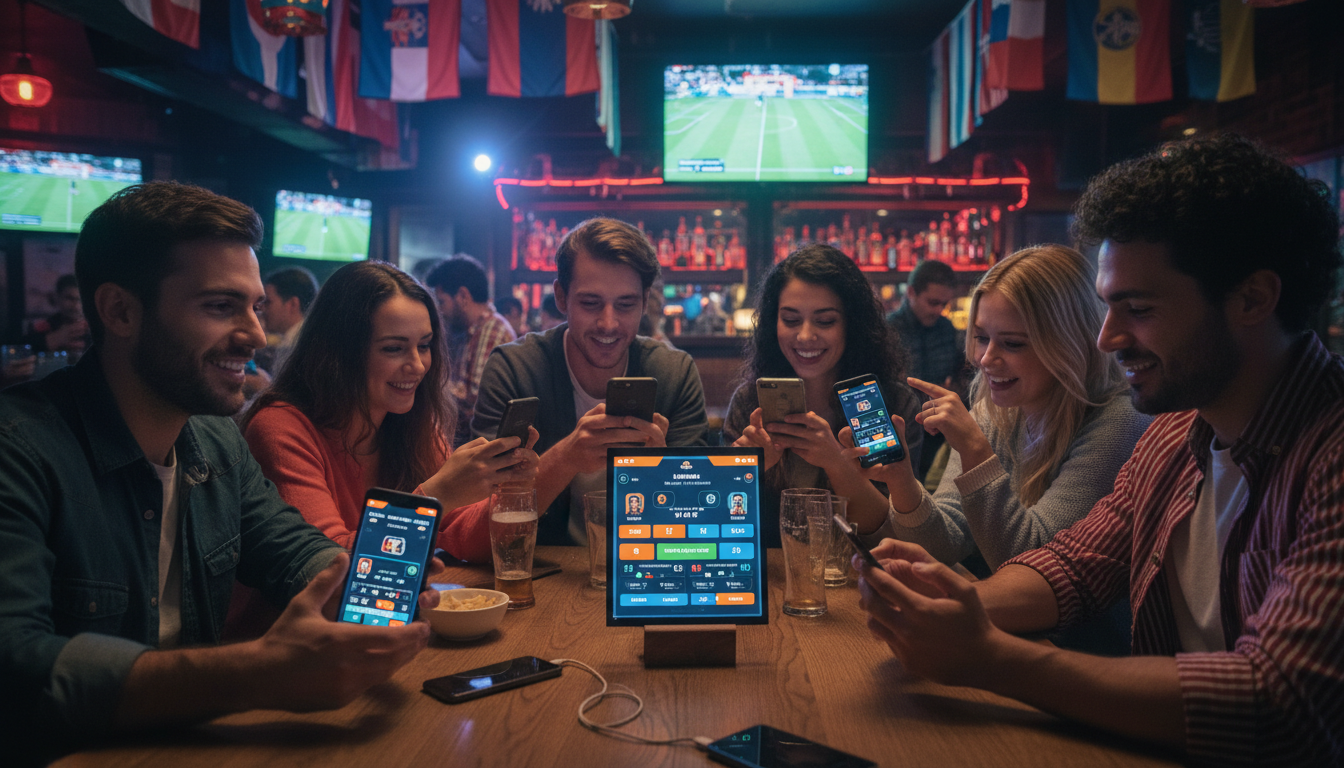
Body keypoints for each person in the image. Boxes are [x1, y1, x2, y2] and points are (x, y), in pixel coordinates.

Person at [855, 134, 1344, 765]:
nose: (1108, 339)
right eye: (1108, 308)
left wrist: (989, 657)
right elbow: (1073, 567)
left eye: (1136, 309)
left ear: (1252, 299)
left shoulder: (1327, 453)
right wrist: (945, 604)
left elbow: (1279, 702)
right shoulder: (1175, 434)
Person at [0, 182, 439, 765]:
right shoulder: (20, 452)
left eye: (256, 307)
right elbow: (16, 670)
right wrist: (257, 674)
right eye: (219, 306)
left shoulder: (213, 440)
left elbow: (291, 550)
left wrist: (372, 583)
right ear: (119, 310)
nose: (256, 336)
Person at [231, 260, 538, 634]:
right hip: (291, 654)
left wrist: (509, 486)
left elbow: (470, 540)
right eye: (394, 349)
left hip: (383, 632)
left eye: (424, 346)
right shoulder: (280, 427)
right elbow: (333, 576)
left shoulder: (410, 421)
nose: (418, 365)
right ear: (340, 354)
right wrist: (435, 498)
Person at [854, 245, 1150, 571]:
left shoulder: (1119, 422)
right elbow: (944, 543)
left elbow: (1033, 563)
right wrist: (902, 480)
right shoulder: (994, 412)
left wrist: (975, 451)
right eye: (981, 338)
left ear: (1070, 343)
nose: (985, 359)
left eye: (1012, 343)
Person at [474, 217, 708, 546]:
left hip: (645, 574)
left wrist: (663, 475)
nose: (608, 323)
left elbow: (703, 521)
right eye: (590, 303)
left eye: (626, 305)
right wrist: (566, 458)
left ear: (644, 302)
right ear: (560, 297)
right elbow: (479, 516)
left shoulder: (674, 373)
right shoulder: (515, 369)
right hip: (541, 573)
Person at [724, 244, 922, 548]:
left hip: (863, 581)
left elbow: (892, 533)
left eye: (825, 321)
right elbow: (718, 520)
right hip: (775, 581)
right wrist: (741, 471)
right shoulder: (750, 403)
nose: (805, 336)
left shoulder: (890, 405)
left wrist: (836, 464)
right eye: (790, 320)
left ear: (851, 325)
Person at [424, 255, 517, 444]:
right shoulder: (464, 332)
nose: (439, 311)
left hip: (478, 451)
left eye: (441, 302)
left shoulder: (492, 331)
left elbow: (473, 407)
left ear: (463, 296)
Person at [886, 260, 963, 480]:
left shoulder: (946, 328)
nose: (939, 310)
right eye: (932, 302)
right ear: (911, 292)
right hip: (903, 429)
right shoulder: (887, 331)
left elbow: (963, 371)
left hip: (940, 429)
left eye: (944, 304)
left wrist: (956, 387)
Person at [255, 266, 318, 376]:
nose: (261, 309)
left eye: (268, 302)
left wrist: (264, 387)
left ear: (293, 304)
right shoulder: (304, 339)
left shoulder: (301, 347)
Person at [23, 273, 91, 355]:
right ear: (57, 297)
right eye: (69, 298)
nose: (76, 306)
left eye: (80, 300)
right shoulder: (43, 327)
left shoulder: (95, 327)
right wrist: (53, 340)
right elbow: (22, 350)